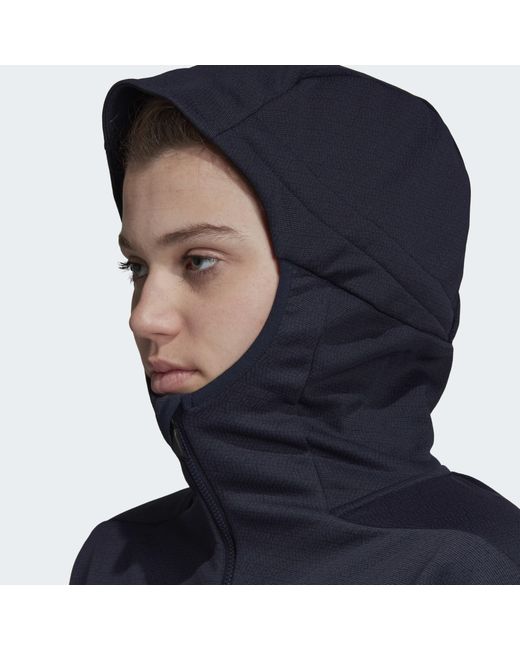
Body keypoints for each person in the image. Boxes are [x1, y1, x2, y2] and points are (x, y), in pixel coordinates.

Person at [69, 65, 520, 584]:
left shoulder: (468, 571)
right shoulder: (119, 560)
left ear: (342, 286)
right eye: (137, 267)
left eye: (198, 261)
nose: (144, 317)